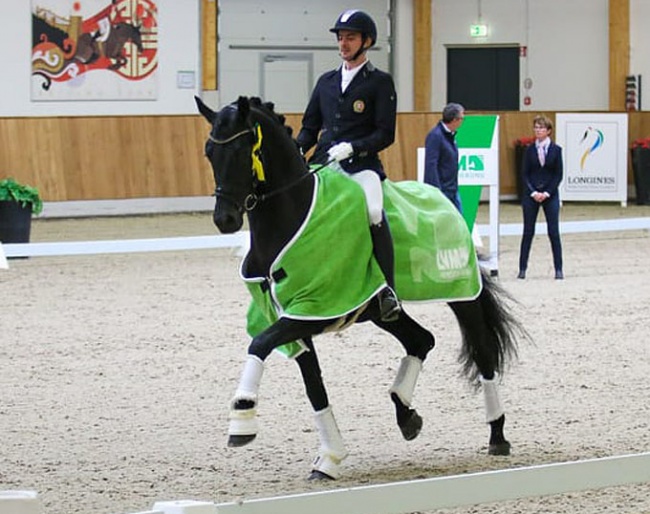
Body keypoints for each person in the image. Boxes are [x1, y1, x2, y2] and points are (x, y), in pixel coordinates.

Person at [296, 9, 400, 322]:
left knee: (372, 209)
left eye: (350, 37)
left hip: (361, 165)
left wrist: (354, 147)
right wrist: (297, 149)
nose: (343, 43)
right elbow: (309, 127)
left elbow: (386, 133)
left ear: (366, 41)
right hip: (324, 163)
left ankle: (388, 291)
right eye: (341, 37)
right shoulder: (325, 82)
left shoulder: (380, 83)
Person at [517, 114, 564, 280]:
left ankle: (558, 268)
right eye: (536, 128)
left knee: (553, 232)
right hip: (532, 194)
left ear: (548, 131)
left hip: (550, 194)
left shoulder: (556, 150)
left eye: (541, 128)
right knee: (528, 231)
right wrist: (533, 192)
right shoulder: (529, 150)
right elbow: (524, 173)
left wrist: (547, 192)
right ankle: (522, 268)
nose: (538, 131)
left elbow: (558, 174)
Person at [423, 103, 465, 212]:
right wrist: (436, 191)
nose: (462, 121)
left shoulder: (450, 135)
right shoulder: (435, 136)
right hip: (442, 190)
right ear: (455, 120)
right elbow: (431, 165)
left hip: (452, 189)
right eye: (462, 118)